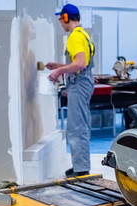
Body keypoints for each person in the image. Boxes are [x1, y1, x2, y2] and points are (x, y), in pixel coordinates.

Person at [46, 4, 95, 178]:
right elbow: (81, 63)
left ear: (66, 18)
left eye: (61, 19)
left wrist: (58, 72)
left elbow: (80, 64)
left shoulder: (74, 37)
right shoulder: (83, 34)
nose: (60, 23)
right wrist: (59, 65)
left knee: (76, 127)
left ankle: (81, 170)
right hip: (84, 81)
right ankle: (81, 166)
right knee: (79, 125)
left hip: (79, 84)